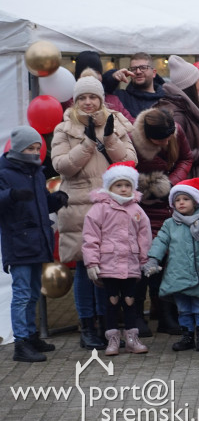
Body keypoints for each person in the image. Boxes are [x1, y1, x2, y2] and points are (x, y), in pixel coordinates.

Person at [52, 74, 136, 350]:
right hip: (80, 207)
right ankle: (87, 325)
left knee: (108, 271)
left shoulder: (116, 121)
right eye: (82, 98)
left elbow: (130, 161)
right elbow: (62, 166)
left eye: (93, 97)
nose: (88, 103)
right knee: (85, 270)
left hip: (112, 208)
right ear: (76, 101)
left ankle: (107, 324)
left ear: (101, 98)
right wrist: (87, 143)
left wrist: (109, 138)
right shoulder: (64, 128)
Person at [0, 126, 67, 362]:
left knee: (32, 294)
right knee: (20, 294)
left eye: (37, 148)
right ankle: (20, 343)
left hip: (38, 241)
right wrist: (11, 196)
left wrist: (55, 201)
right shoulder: (4, 172)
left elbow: (39, 205)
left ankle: (30, 336)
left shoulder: (37, 172)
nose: (35, 152)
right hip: (18, 243)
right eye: (30, 148)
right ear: (18, 148)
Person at [130, 108, 193, 337]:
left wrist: (171, 183)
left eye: (169, 137)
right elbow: (124, 169)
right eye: (160, 139)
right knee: (142, 260)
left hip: (167, 204)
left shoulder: (176, 132)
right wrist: (143, 188)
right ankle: (136, 315)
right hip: (141, 206)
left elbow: (186, 158)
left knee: (165, 260)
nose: (166, 142)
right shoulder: (131, 140)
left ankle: (167, 315)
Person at [81, 162, 152, 356]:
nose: (123, 189)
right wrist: (92, 262)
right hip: (108, 264)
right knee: (111, 301)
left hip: (130, 264)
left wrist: (145, 260)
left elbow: (144, 236)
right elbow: (90, 237)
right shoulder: (99, 209)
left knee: (130, 300)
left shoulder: (137, 210)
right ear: (109, 187)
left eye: (127, 185)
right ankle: (112, 339)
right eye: (118, 185)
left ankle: (131, 338)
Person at [143, 178, 199, 352]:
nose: (181, 203)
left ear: (195, 201)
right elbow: (160, 241)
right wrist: (153, 259)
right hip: (177, 274)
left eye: (185, 199)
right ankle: (187, 335)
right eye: (177, 200)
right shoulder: (170, 224)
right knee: (183, 307)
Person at [158, 55, 199, 178]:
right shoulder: (177, 114)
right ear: (189, 86)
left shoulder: (184, 108)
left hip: (189, 179)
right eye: (198, 80)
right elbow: (176, 157)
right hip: (186, 182)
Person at [73, 51, 134, 122]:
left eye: (97, 72)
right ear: (78, 78)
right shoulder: (70, 103)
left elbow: (131, 125)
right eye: (87, 73)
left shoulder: (113, 101)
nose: (93, 75)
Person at [112, 52, 166, 118]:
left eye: (143, 67)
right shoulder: (121, 97)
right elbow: (101, 91)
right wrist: (112, 78)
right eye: (133, 69)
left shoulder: (166, 100)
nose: (138, 72)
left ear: (154, 73)